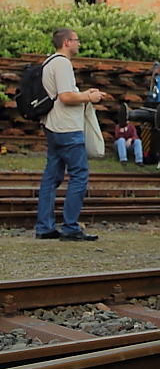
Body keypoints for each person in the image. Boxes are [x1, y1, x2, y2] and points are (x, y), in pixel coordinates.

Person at [35, 28, 105, 241]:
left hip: (52, 124)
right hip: (67, 128)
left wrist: (84, 93)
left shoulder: (49, 62)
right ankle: (70, 228)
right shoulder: (63, 64)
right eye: (76, 40)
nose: (79, 44)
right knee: (79, 175)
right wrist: (89, 97)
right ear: (66, 42)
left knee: (51, 177)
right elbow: (65, 97)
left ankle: (44, 227)